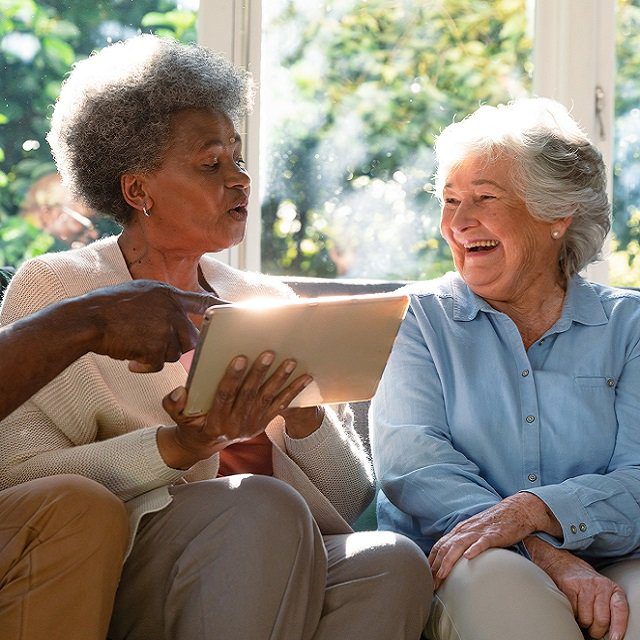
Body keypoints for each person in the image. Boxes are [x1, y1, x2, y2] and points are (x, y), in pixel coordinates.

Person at [0, 35, 432, 640]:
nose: (240, 180)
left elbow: (346, 494)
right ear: (137, 191)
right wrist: (177, 445)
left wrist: (305, 417)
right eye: (212, 164)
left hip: (270, 545)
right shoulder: (61, 291)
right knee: (260, 504)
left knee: (390, 562)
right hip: (120, 560)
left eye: (238, 157)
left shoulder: (266, 300)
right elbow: (20, 479)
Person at [370, 97, 640, 640]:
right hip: (468, 556)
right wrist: (543, 550)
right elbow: (415, 468)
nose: (458, 223)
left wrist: (536, 509)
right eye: (449, 201)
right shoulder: (414, 318)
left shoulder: (628, 325)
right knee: (504, 595)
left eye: (483, 199)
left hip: (616, 553)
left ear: (556, 216)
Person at [0, 279, 224, 640]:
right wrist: (91, 318)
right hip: (135, 513)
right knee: (78, 508)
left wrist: (308, 420)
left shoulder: (259, 297)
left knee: (266, 507)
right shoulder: (50, 283)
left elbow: (341, 499)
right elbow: (18, 472)